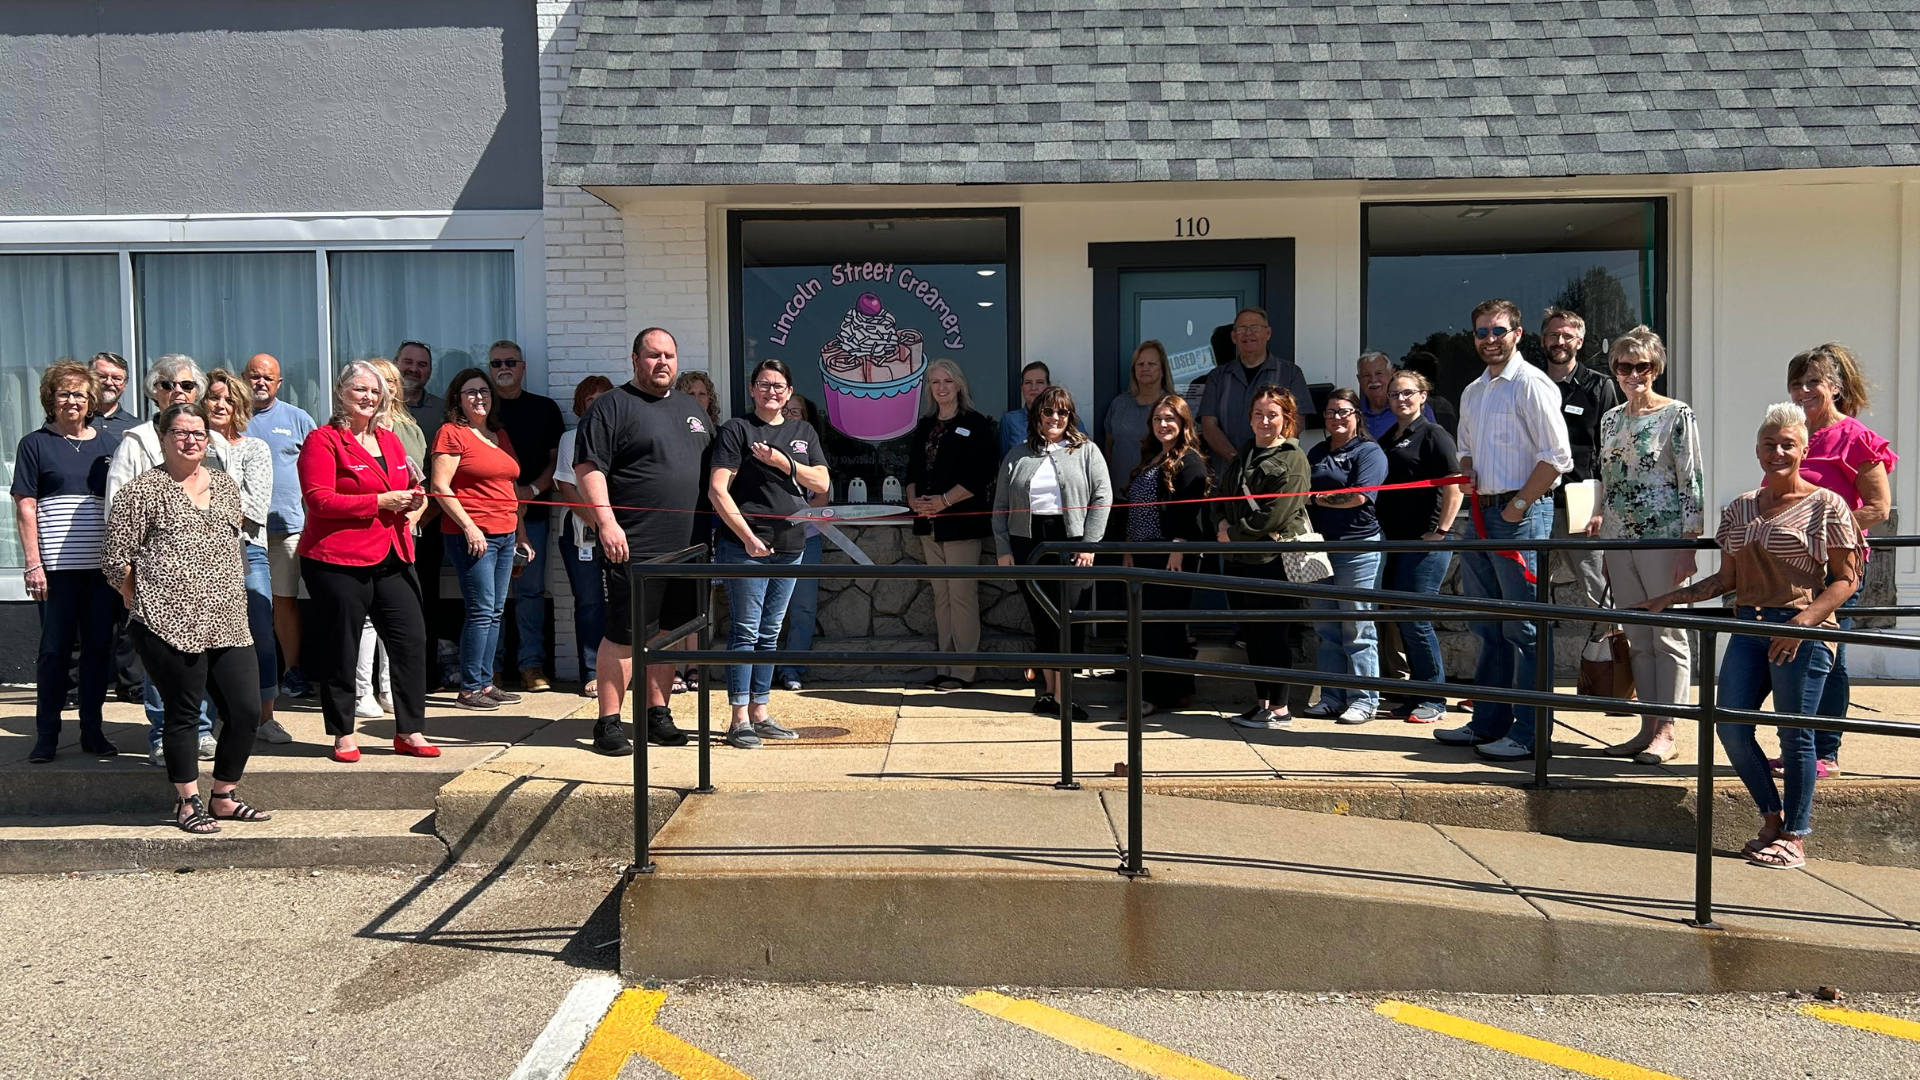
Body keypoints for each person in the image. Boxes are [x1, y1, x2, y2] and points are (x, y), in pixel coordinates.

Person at [1634, 402, 1860, 870]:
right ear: (1757, 449)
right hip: (1748, 626)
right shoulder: (1739, 507)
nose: (1777, 452)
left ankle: (1796, 836)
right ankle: (1771, 817)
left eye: (1787, 445)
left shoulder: (1826, 505)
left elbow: (1846, 579)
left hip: (1801, 630)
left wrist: (1804, 624)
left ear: (1803, 449)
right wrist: (1670, 598)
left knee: (1795, 735)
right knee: (1732, 727)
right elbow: (1726, 579)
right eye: (1768, 445)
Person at [103, 402, 269, 834]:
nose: (191, 440)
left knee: (246, 710)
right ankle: (187, 801)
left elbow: (234, 548)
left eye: (198, 433)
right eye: (180, 432)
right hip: (166, 622)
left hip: (228, 618)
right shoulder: (140, 492)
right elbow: (114, 559)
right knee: (182, 713)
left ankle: (223, 796)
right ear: (162, 437)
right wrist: (135, 597)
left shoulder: (226, 486)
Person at [1434, 299, 1573, 762]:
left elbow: (1557, 457)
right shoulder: (1474, 390)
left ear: (1517, 334)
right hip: (1479, 515)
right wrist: (1470, 473)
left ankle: (1532, 734)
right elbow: (1467, 448)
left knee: (1525, 630)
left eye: (1497, 331)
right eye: (1481, 332)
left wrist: (1517, 506)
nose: (1489, 340)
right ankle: (1487, 723)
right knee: (1487, 626)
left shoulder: (1532, 383)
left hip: (1518, 515)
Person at [573, 329, 711, 755]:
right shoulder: (613, 406)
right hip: (632, 544)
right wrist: (606, 522)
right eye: (653, 355)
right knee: (626, 634)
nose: (663, 362)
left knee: (668, 634)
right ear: (635, 359)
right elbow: (588, 467)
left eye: (669, 354)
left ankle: (656, 715)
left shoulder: (691, 408)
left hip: (688, 547)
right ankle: (608, 722)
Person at [297, 361, 435, 762]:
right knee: (342, 645)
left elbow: (407, 487)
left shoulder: (391, 441)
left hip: (394, 552)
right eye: (360, 390)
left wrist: (413, 499)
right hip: (338, 559)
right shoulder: (323, 440)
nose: (369, 398)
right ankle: (342, 732)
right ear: (341, 392)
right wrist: (378, 502)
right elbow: (319, 500)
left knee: (411, 641)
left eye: (375, 392)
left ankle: (409, 729)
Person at [1583, 327, 1704, 764]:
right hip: (1618, 537)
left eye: (1642, 366)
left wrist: (1690, 542)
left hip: (1663, 536)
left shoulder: (1677, 415)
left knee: (1667, 634)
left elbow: (1690, 479)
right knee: (1637, 636)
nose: (1632, 374)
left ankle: (1668, 730)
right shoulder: (1612, 418)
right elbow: (1609, 478)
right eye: (1623, 366)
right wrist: (1598, 513)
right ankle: (1647, 726)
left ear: (1656, 369)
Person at [108, 354, 230, 765]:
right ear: (153, 392)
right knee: (165, 665)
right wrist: (131, 587)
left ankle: (201, 728)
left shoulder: (211, 438)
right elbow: (118, 516)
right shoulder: (137, 440)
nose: (178, 392)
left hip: (211, 583)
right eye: (167, 385)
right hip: (157, 582)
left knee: (207, 660)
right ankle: (163, 733)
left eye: (187, 386)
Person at [1782, 343, 1897, 777]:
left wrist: (1822, 528)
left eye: (1813, 382)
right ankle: (1798, 747)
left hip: (1838, 566)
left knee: (1830, 658)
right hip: (1791, 567)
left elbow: (1878, 507)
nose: (1804, 391)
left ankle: (1825, 752)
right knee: (1796, 655)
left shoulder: (1855, 437)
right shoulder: (1794, 433)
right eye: (1797, 384)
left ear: (1834, 387)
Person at [709, 359, 830, 749]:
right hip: (745, 547)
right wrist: (746, 537)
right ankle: (738, 719)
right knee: (744, 631)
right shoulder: (736, 430)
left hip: (792, 546)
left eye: (779, 386)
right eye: (764, 385)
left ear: (789, 392)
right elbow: (717, 491)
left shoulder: (803, 431)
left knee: (770, 632)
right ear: (752, 389)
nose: (771, 392)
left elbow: (822, 482)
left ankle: (761, 712)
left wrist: (783, 463)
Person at [15, 360, 122, 762]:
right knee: (55, 651)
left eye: (79, 393)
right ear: (51, 399)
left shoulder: (110, 446)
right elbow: (26, 505)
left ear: (91, 399)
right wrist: (33, 563)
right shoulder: (35, 444)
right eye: (64, 393)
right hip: (55, 571)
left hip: (100, 570)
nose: (72, 400)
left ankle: (92, 731)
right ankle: (47, 734)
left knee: (98, 649)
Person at [994, 386, 1112, 721]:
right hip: (1028, 542)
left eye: (1061, 412)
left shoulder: (1086, 451)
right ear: (1037, 416)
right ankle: (1048, 692)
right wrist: (1004, 548)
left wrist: (1089, 543)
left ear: (1070, 416)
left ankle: (1067, 695)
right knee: (1042, 618)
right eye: (1048, 412)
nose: (1055, 418)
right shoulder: (1017, 454)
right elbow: (1000, 505)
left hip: (1072, 541)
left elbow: (1103, 497)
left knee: (1068, 619)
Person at [432, 364, 534, 711]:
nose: (480, 398)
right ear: (458, 400)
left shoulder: (497, 435)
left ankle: (486, 683)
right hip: (473, 537)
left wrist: (521, 534)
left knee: (494, 611)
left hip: (506, 534)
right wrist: (469, 527)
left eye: (485, 391)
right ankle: (469, 688)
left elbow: (511, 488)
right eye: (472, 392)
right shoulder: (451, 433)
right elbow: (440, 487)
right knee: (480, 611)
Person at [1213, 386, 1312, 729]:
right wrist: (1220, 523)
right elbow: (1221, 497)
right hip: (1240, 559)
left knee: (1274, 636)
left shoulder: (1292, 458)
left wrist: (1232, 533)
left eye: (1273, 414)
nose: (1265, 421)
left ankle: (1281, 709)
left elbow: (1278, 513)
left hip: (1273, 561)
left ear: (1286, 419)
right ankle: (1262, 704)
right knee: (1252, 635)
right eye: (1259, 414)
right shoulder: (1243, 454)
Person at [1375, 370, 1462, 724]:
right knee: (1400, 618)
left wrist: (1441, 530)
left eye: (1408, 393)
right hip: (1393, 542)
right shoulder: (1388, 438)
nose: (1401, 399)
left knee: (1417, 619)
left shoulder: (1434, 435)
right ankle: (1415, 696)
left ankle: (1434, 699)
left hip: (1424, 542)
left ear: (1423, 396)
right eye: (1395, 394)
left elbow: (1454, 485)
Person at [905, 360, 997, 691]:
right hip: (928, 524)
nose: (941, 387)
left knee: (961, 597)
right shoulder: (925, 425)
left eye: (947, 381)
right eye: (934, 382)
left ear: (959, 385)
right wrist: (914, 500)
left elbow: (980, 474)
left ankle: (964, 671)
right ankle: (945, 667)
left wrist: (944, 501)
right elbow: (912, 471)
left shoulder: (975, 424)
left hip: (961, 524)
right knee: (940, 597)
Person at [203, 368, 284, 741]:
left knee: (260, 632)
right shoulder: (190, 446)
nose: (220, 404)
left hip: (248, 548)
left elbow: (254, 507)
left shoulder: (254, 449)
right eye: (213, 397)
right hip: (201, 554)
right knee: (209, 636)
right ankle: (217, 717)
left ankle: (264, 717)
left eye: (228, 398)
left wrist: (211, 485)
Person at [1300, 389, 1388, 725]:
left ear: (1357, 415)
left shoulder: (1369, 452)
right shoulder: (1317, 451)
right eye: (1331, 412)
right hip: (1318, 547)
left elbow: (1358, 498)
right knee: (1326, 626)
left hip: (1358, 548)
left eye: (1344, 411)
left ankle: (1364, 699)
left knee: (1358, 626)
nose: (1337, 418)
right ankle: (1332, 697)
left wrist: (1317, 499)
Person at [1123, 394, 1210, 714]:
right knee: (1150, 626)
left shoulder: (1190, 460)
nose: (1163, 424)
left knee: (1164, 626)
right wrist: (1130, 546)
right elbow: (1137, 508)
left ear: (1184, 423)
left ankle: (1159, 695)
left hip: (1172, 553)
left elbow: (1190, 511)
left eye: (1170, 418)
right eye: (1158, 419)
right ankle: (1174, 691)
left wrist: (1178, 547)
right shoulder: (1152, 457)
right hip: (1144, 552)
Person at [487, 339, 565, 693]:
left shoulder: (545, 409)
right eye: (496, 363)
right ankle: (492, 668)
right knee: (494, 597)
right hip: (488, 518)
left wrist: (531, 490)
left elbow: (556, 462)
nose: (503, 368)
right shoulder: (481, 410)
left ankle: (531, 666)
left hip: (532, 516)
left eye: (510, 362)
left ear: (522, 367)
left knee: (531, 592)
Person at [353, 358, 428, 718]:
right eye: (373, 383)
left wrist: (413, 517)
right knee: (368, 620)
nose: (381, 389)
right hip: (364, 536)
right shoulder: (357, 429)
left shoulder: (409, 428)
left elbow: (419, 484)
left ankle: (387, 687)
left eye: (388, 382)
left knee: (397, 622)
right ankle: (361, 690)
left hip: (404, 534)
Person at [1540, 309, 1623, 630]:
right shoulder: (1531, 385)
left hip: (1582, 506)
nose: (1559, 341)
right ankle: (1535, 677)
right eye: (1553, 335)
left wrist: (1602, 506)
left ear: (1580, 341)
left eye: (1566, 336)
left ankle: (1615, 671)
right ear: (1543, 340)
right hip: (1536, 504)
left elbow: (1611, 452)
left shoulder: (1600, 388)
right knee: (1530, 597)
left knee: (1599, 594)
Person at [243, 353, 319, 701]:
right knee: (246, 605)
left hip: (288, 527)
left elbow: (318, 469)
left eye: (267, 378)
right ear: (244, 378)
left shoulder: (298, 419)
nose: (260, 382)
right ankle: (251, 675)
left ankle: (292, 671)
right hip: (242, 532)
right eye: (254, 376)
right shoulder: (231, 418)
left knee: (284, 602)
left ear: (279, 383)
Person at [396, 340, 454, 688]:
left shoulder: (442, 411)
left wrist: (424, 516)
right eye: (408, 362)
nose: (414, 370)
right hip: (382, 521)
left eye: (421, 365)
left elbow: (444, 472)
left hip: (428, 523)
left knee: (424, 599)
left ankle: (424, 677)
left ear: (430, 371)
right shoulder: (379, 408)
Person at [1198, 307, 1316, 475]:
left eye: (1255, 328)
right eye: (1242, 329)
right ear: (1234, 337)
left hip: (1275, 473)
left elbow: (1296, 422)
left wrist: (1265, 459)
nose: (1248, 333)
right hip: (1227, 474)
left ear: (1268, 333)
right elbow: (1209, 426)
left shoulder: (1290, 374)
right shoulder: (1217, 377)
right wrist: (1237, 460)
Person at [556, 375, 616, 697]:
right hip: (581, 533)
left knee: (620, 601)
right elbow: (566, 486)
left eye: (604, 398)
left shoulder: (622, 437)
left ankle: (621, 669)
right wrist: (598, 523)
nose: (598, 406)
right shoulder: (571, 438)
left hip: (620, 532)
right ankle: (592, 671)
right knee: (590, 601)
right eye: (591, 400)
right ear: (582, 405)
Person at [671, 369, 722, 694]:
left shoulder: (718, 434)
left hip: (707, 524)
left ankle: (694, 664)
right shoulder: (669, 429)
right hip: (673, 524)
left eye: (702, 394)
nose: (696, 400)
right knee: (671, 598)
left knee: (698, 598)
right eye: (689, 394)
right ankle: (672, 667)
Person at [775, 391, 830, 692]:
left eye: (797, 412)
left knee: (803, 608)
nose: (791, 415)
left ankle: (792, 668)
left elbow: (823, 495)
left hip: (807, 539)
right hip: (769, 541)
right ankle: (761, 671)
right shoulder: (762, 447)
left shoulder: (812, 450)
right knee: (768, 611)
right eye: (787, 410)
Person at [1104, 342, 1176, 486]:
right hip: (1119, 493)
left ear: (1162, 370)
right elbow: (1109, 447)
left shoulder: (1173, 406)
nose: (1145, 368)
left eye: (1151, 364)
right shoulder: (1119, 404)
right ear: (1134, 371)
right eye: (1140, 364)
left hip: (1156, 493)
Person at [998, 361, 1084, 457]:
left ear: (1048, 386)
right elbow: (1005, 460)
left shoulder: (1065, 418)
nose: (1033, 388)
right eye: (1028, 383)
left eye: (1039, 382)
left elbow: (1083, 454)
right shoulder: (1010, 420)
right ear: (1021, 387)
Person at [1355, 351, 1432, 440]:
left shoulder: (1412, 406)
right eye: (1366, 375)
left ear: (1392, 374)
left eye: (1379, 373)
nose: (1373, 380)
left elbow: (1432, 440)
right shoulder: (1353, 412)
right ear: (1359, 379)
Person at [88, 352, 140, 438]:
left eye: (116, 378)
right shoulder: (74, 420)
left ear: (125, 384)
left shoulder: (137, 428)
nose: (109, 382)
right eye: (102, 376)